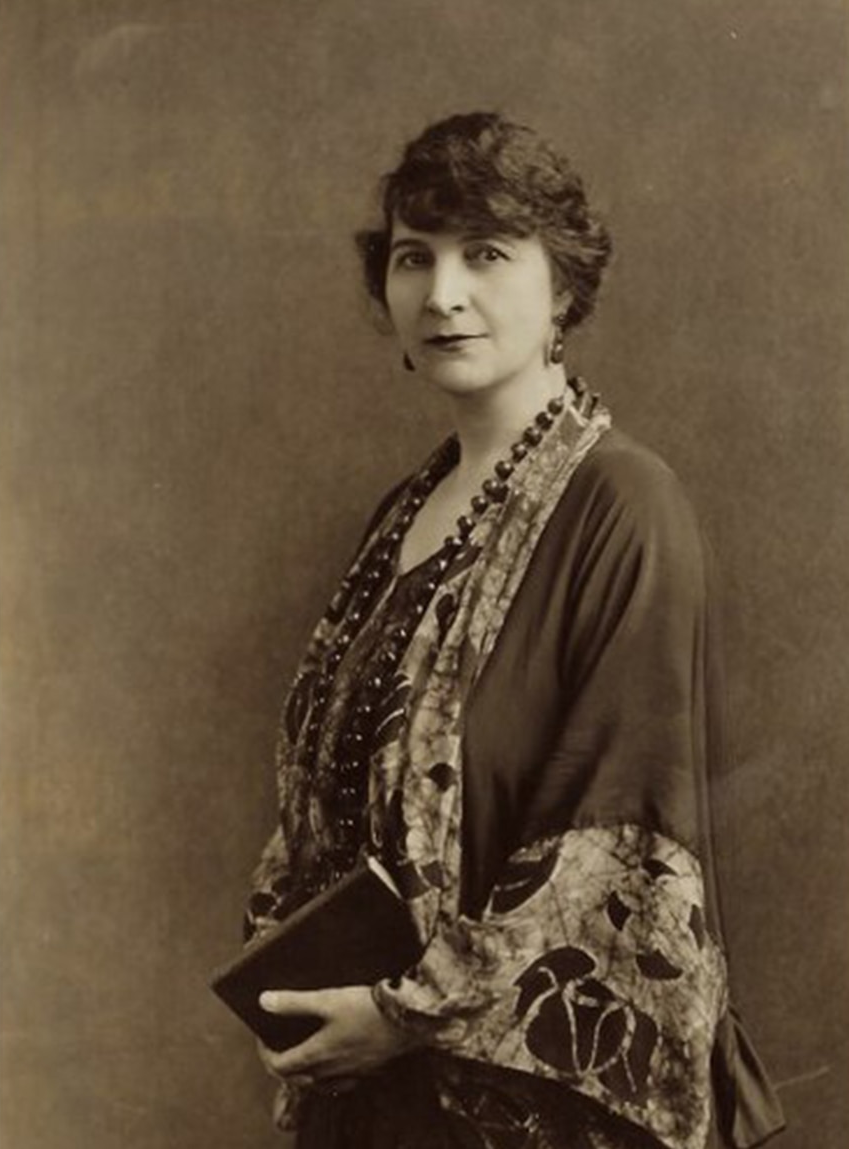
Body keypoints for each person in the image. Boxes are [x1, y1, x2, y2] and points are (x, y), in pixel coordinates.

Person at [243, 112, 785, 1149]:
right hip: (373, 1098)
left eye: (486, 254)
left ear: (562, 288)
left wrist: (406, 1015)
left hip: (531, 1108)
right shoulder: (401, 517)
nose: (442, 295)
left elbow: (616, 836)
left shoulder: (623, 505)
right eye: (414, 259)